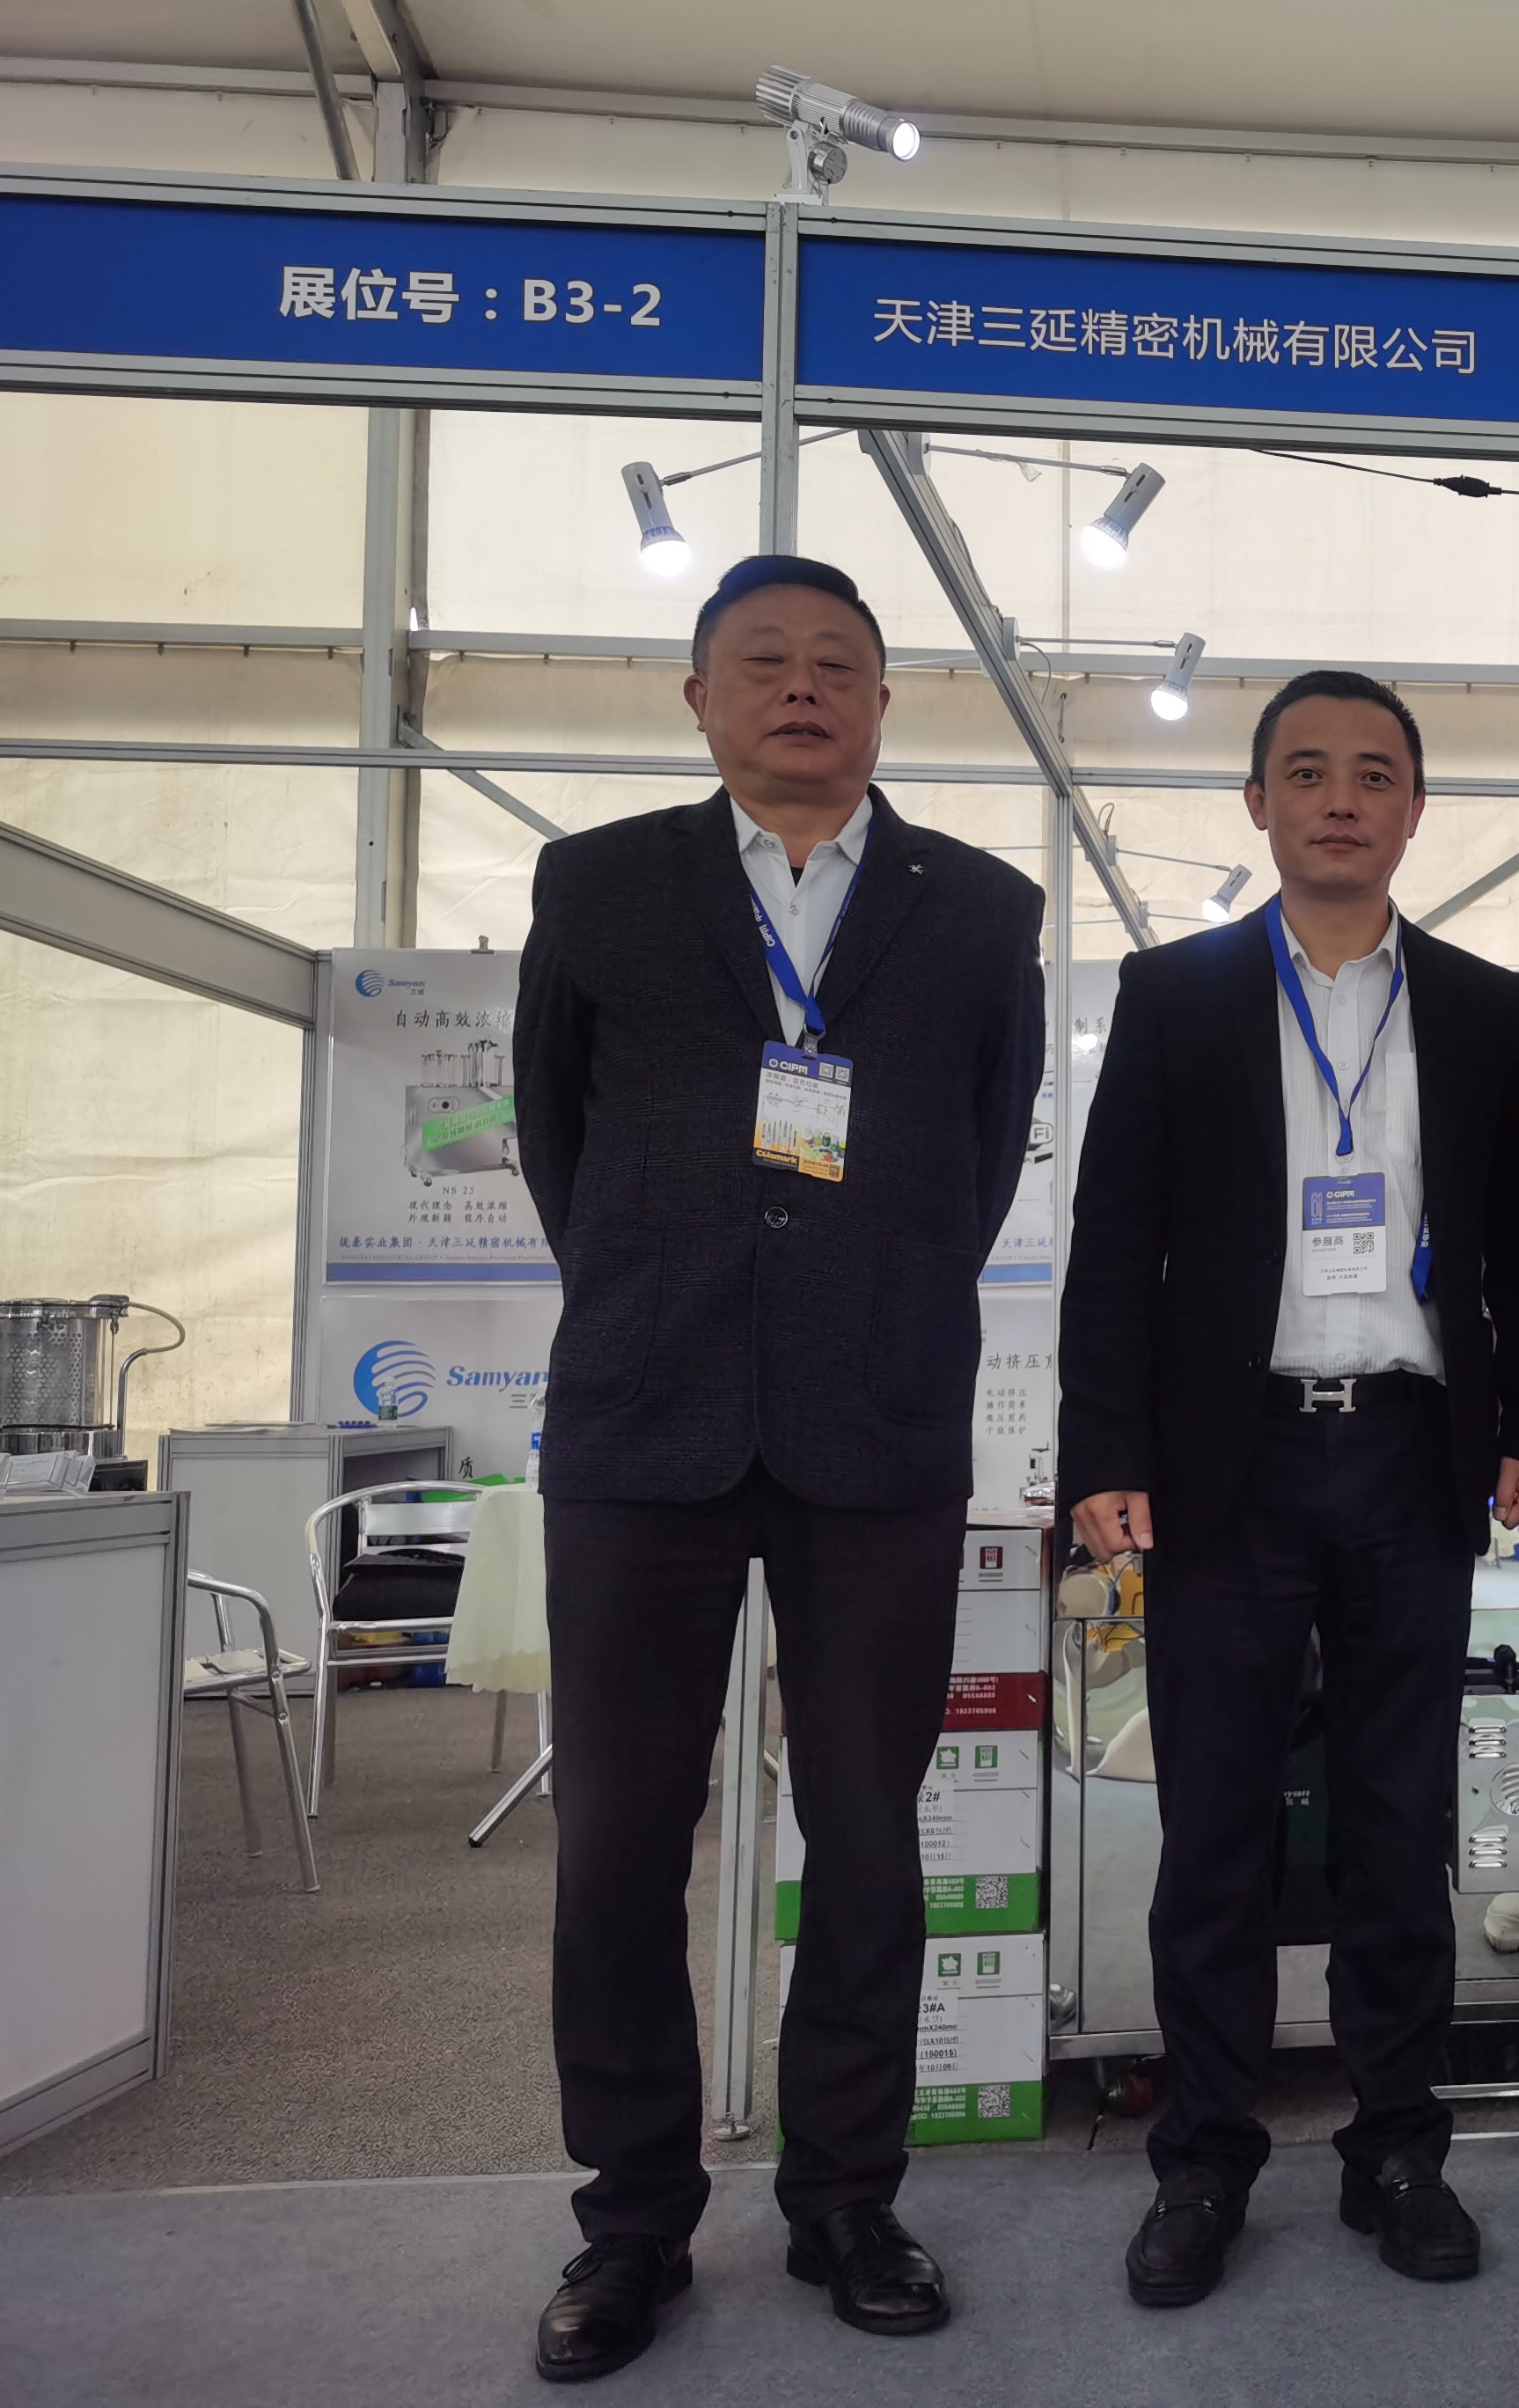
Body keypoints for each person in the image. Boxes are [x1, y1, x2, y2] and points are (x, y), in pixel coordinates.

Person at [513, 554, 1046, 2382]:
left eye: (837, 664)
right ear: (701, 698)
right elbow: (557, 1135)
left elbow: (982, 1155)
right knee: (619, 1841)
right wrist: (667, 1287)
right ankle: (631, 2222)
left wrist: (864, 1297)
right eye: (764, 662)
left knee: (871, 1835)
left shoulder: (980, 908)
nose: (801, 688)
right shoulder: (597, 883)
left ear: (884, 703)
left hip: (877, 1418)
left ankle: (845, 2200)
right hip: (641, 1415)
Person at [1060, 669, 1519, 2309]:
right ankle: (1203, 2159)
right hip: (1230, 1458)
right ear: (1259, 805)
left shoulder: (1484, 1004)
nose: (1340, 799)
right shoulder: (1178, 992)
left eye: (1372, 774)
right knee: (1214, 1826)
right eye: (1306, 772)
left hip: (1412, 1451)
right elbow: (1115, 1241)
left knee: (1398, 1823)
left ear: (1415, 809)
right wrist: (1104, 1452)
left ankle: (1397, 2148)